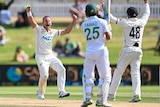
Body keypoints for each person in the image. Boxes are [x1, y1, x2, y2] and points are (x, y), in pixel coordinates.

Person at [101, 0, 150, 102]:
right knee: (135, 73)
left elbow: (111, 18)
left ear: (128, 15)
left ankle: (111, 94)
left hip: (128, 49)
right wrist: (146, 3)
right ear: (136, 15)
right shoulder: (141, 22)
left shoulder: (125, 22)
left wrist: (104, 7)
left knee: (118, 72)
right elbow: (147, 14)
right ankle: (137, 95)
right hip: (138, 50)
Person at [26, 5, 77, 100]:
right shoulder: (39, 30)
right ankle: (40, 93)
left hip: (50, 56)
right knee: (45, 75)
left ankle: (61, 91)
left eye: (49, 20)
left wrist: (73, 21)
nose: (48, 22)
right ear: (43, 22)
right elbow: (32, 22)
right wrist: (29, 12)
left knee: (62, 69)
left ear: (51, 22)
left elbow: (66, 31)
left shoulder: (53, 32)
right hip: (40, 56)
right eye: (46, 20)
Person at [81, 3, 112, 107]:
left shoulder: (84, 24)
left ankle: (87, 98)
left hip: (89, 51)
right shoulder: (102, 22)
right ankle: (101, 100)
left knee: (88, 76)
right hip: (100, 50)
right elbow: (108, 37)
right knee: (105, 76)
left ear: (86, 13)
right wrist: (108, 28)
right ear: (97, 12)